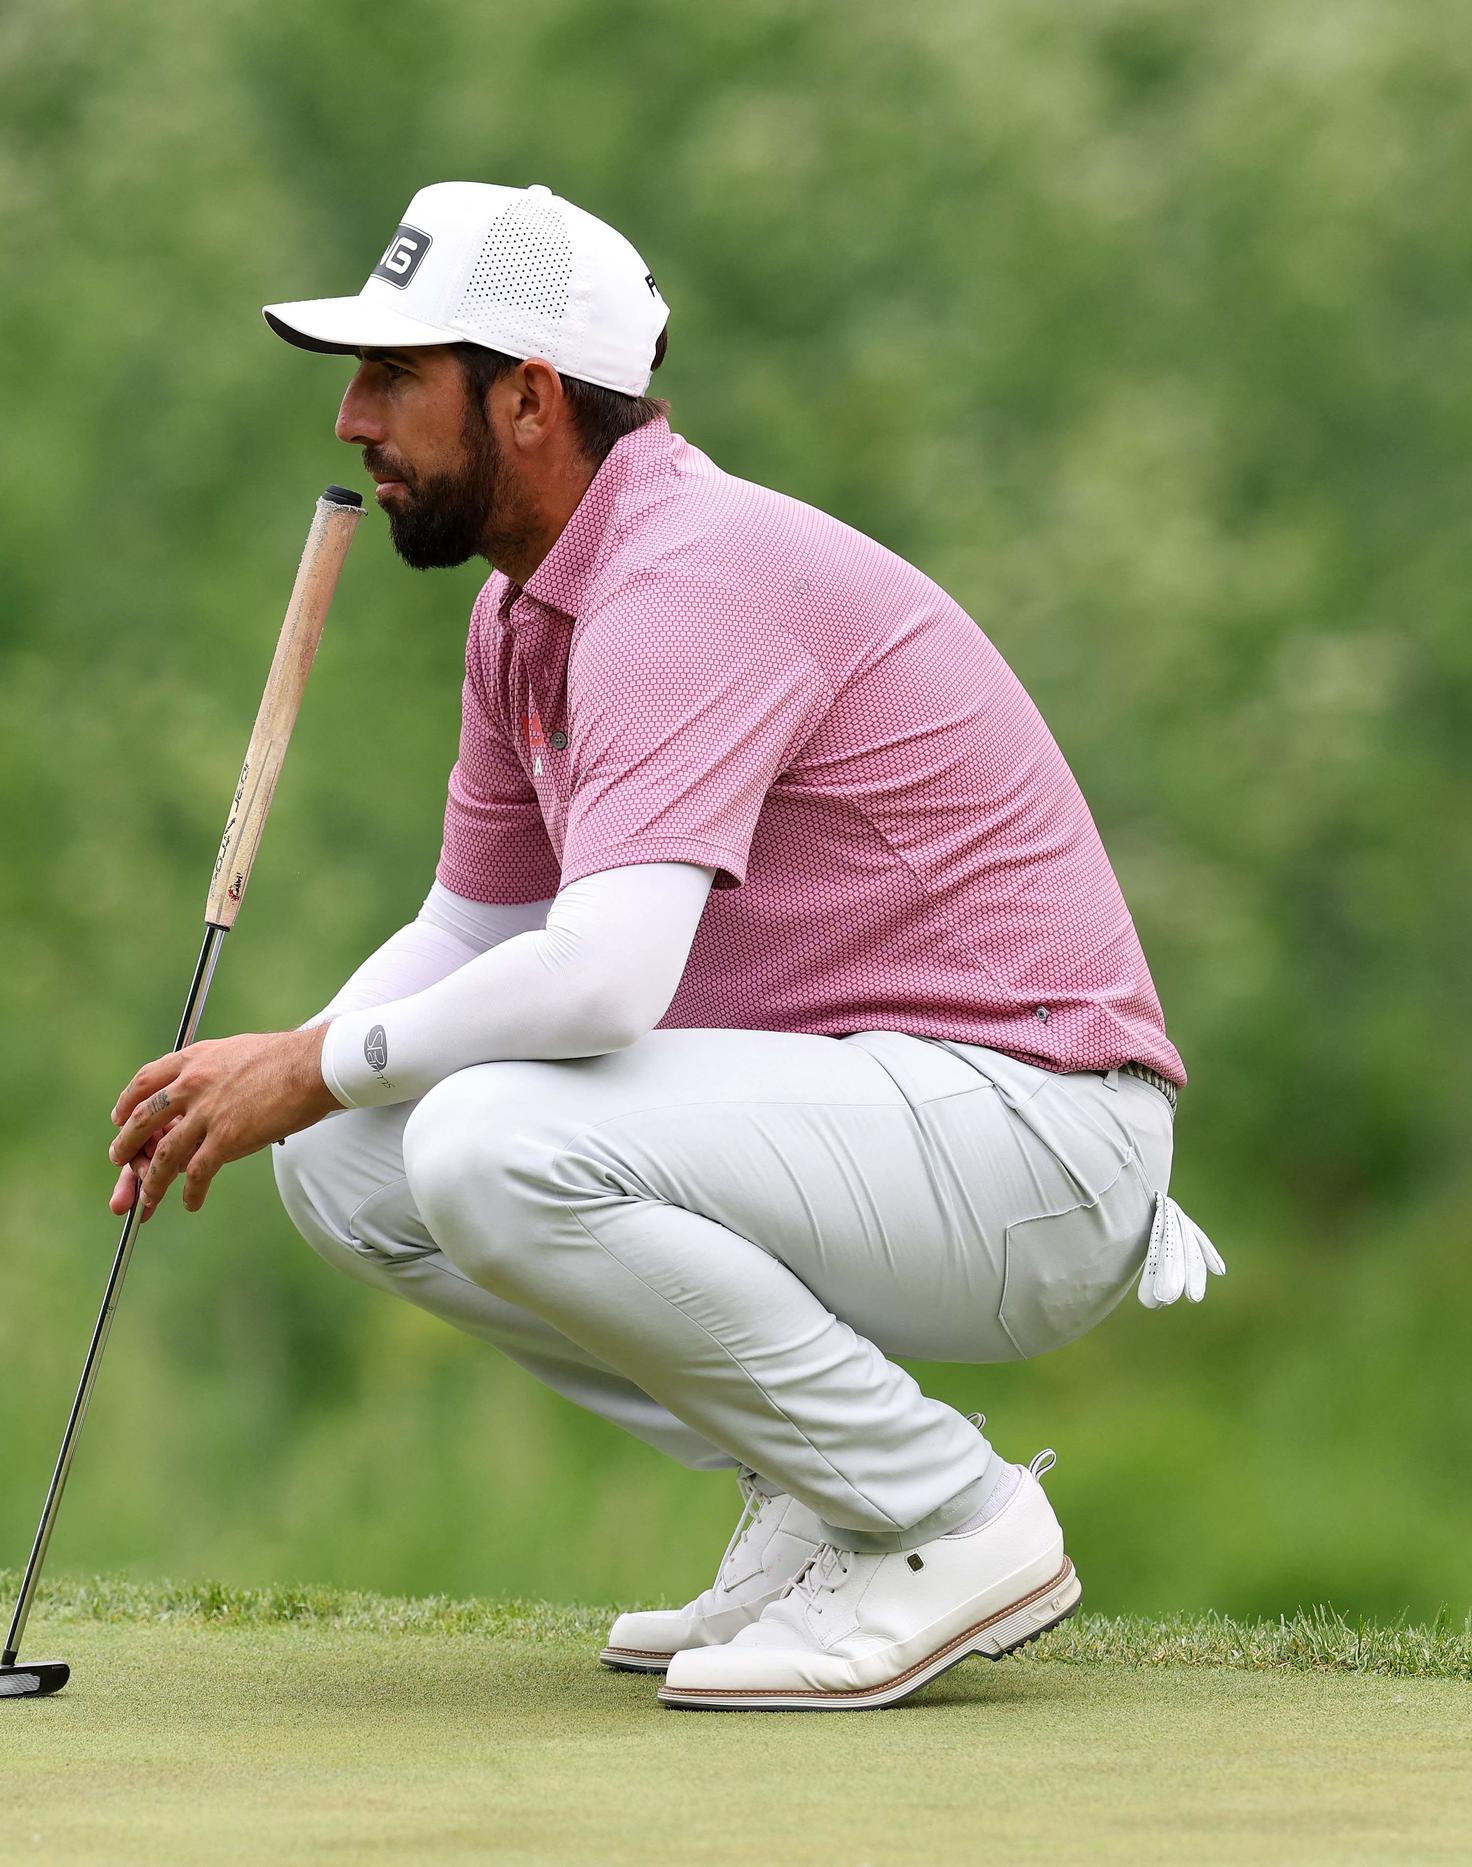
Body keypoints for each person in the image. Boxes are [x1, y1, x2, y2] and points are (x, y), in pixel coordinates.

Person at [102, 181, 1224, 1711]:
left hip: (1039, 1139)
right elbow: (469, 934)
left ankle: (947, 1517)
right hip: (887, 1122)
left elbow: (603, 982)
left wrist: (310, 1060)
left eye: (393, 381)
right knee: (351, 1157)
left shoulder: (680, 581)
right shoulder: (527, 619)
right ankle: (817, 1486)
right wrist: (267, 1081)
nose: (353, 421)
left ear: (532, 400)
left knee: (488, 1137)